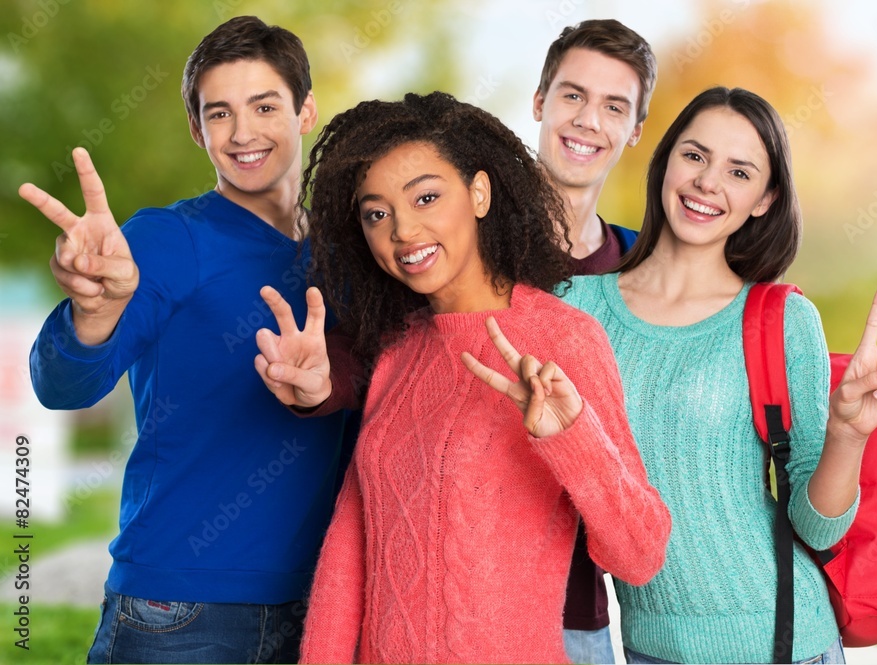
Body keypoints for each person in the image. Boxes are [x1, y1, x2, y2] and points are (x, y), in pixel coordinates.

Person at [252, 91, 672, 664]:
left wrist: (573, 438)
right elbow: (352, 549)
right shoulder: (400, 351)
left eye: (426, 196)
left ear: (479, 192)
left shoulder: (564, 338)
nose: (403, 229)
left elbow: (640, 555)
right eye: (377, 213)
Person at [21, 16, 353, 664]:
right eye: (219, 113)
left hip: (319, 601)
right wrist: (94, 311)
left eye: (264, 105)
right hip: (178, 610)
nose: (244, 132)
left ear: (305, 109)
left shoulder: (346, 252)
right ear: (198, 130)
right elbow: (61, 385)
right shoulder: (166, 240)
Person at [561, 86, 877, 664]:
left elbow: (818, 528)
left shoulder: (779, 319)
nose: (709, 182)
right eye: (695, 155)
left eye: (740, 171)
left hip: (784, 644)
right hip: (648, 648)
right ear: (665, 163)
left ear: (764, 199)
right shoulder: (576, 309)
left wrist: (848, 433)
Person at [532, 19, 657, 663]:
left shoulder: (641, 270)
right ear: (540, 103)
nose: (588, 120)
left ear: (634, 131)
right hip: (460, 595)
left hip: (581, 615)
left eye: (614, 106)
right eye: (572, 95)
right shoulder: (459, 245)